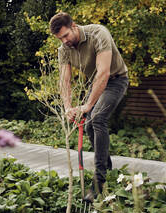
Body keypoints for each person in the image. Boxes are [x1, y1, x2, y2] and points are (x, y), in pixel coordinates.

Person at [49, 12, 129, 202]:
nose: (64, 41)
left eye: (66, 35)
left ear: (74, 26)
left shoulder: (98, 34)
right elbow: (65, 81)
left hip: (115, 80)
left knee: (97, 118)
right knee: (88, 126)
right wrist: (68, 107)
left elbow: (104, 73)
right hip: (95, 84)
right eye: (60, 39)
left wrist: (87, 105)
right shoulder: (64, 50)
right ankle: (108, 170)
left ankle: (99, 182)